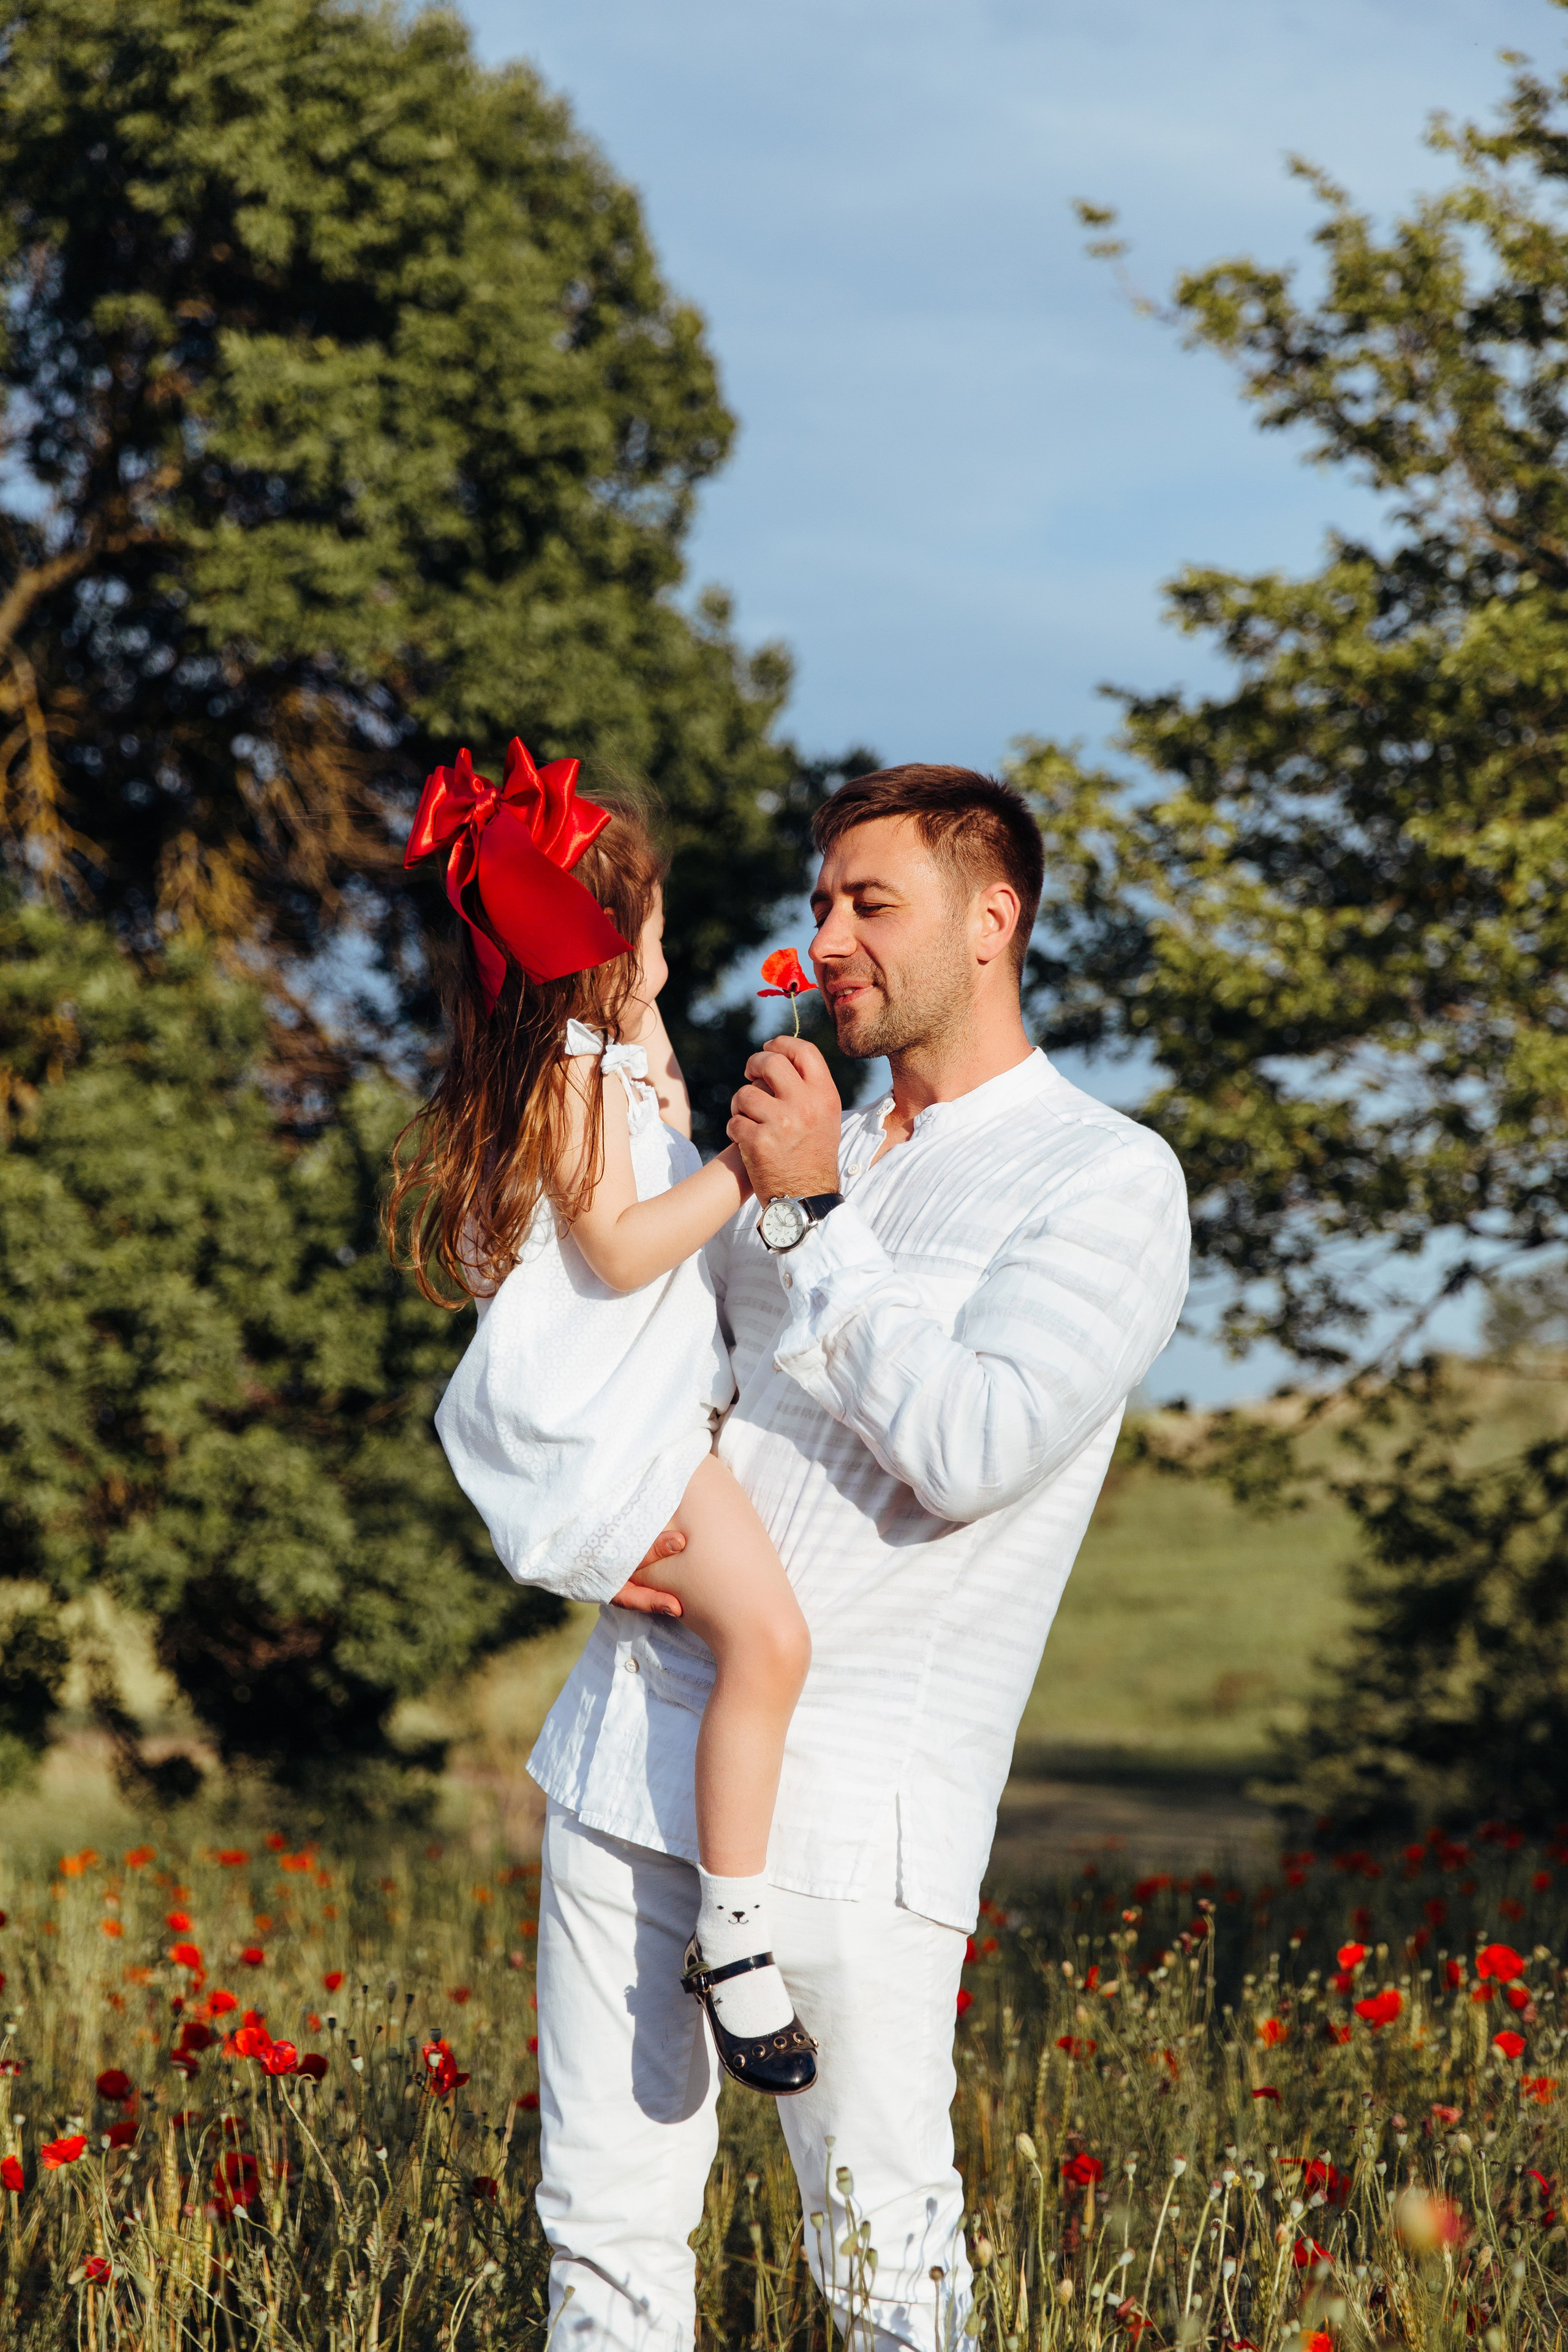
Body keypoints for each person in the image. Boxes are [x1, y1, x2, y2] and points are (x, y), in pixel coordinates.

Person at [527, 763, 1193, 2351]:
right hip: (626, 1762)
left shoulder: (1107, 1179)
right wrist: (602, 1520)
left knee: (887, 2264)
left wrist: (818, 1215)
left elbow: (974, 1445)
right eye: (820, 902)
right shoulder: (803, 1133)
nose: (826, 936)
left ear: (994, 920)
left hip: (859, 1816)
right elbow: (656, 1375)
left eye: (870, 902)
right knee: (602, 2249)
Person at [393, 737, 818, 2093]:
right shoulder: (567, 1078)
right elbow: (628, 1247)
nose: (673, 964)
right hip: (621, 1431)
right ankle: (738, 1938)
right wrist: (750, 1173)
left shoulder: (605, 1060)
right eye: (658, 935)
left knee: (758, 1638)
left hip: (646, 1419)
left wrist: (633, 1007)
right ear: (605, 949)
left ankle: (732, 1923)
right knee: (772, 1638)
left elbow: (652, 1087)